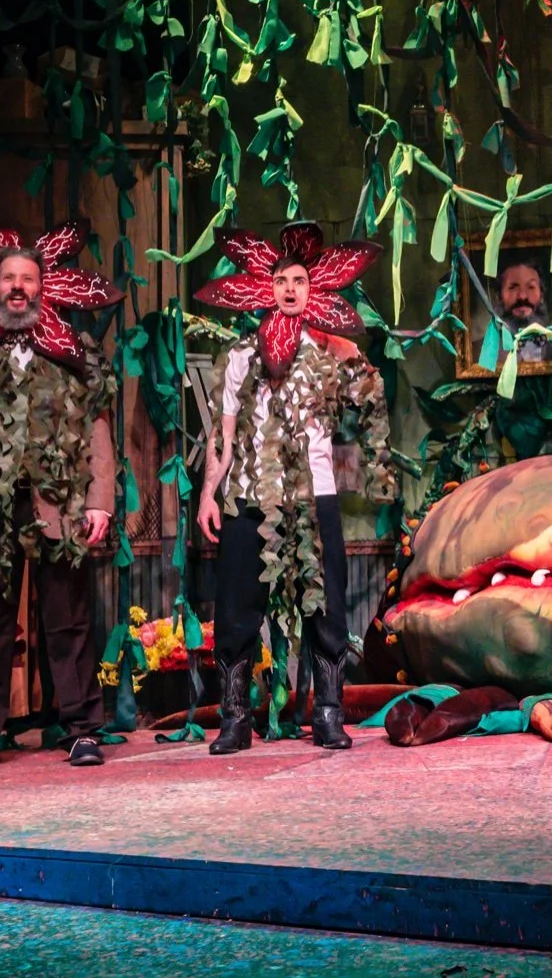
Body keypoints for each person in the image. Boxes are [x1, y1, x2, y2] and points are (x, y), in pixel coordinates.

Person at [0, 220, 125, 770]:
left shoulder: (73, 351)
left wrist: (100, 500)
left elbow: (98, 430)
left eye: (27, 279)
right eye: (9, 278)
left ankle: (81, 729)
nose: (18, 287)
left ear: (42, 287)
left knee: (67, 619)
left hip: (56, 502)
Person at [195, 222, 397, 752]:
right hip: (249, 495)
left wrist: (375, 467)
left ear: (314, 289)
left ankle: (328, 713)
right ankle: (235, 718)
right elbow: (222, 434)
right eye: (281, 280)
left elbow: (372, 402)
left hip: (314, 495)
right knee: (237, 607)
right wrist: (209, 494)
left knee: (325, 606)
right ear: (266, 288)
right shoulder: (241, 356)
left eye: (299, 281)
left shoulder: (333, 351)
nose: (289, 289)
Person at [494, 259, 552, 364]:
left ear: (541, 295)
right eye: (512, 288)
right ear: (499, 296)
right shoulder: (489, 353)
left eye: (531, 287)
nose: (522, 296)